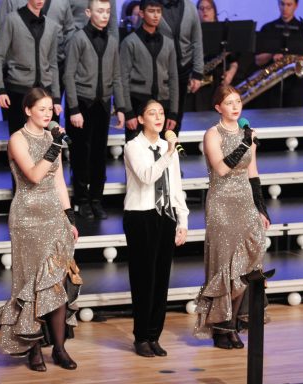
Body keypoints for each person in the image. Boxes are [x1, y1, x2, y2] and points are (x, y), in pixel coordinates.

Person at [0, 87, 81, 372]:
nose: (48, 114)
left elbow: (58, 181)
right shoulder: (17, 139)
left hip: (52, 216)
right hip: (27, 218)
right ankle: (33, 349)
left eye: (51, 109)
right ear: (27, 110)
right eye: (42, 109)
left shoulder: (50, 138)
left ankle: (59, 347)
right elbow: (33, 176)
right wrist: (55, 146)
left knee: (55, 282)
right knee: (31, 283)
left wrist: (68, 216)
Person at [193, 86, 270, 349]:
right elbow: (222, 168)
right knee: (225, 265)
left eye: (238, 101)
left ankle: (233, 322)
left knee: (249, 261)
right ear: (218, 108)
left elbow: (253, 172)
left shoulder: (247, 133)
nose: (236, 106)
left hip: (245, 201)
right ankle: (221, 328)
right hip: (222, 204)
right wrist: (245, 144)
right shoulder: (212, 134)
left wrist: (261, 208)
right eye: (229, 102)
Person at [123, 99, 188, 357]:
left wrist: (182, 221)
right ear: (141, 119)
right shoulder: (132, 146)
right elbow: (148, 176)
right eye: (152, 113)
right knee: (143, 279)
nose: (158, 117)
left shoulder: (167, 147)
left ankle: (154, 335)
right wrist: (169, 153)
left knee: (161, 279)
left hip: (165, 214)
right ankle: (140, 337)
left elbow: (176, 187)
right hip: (141, 215)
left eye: (161, 113)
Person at [64, 0, 125, 220]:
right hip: (82, 103)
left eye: (108, 11)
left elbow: (117, 76)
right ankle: (81, 200)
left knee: (99, 154)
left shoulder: (111, 40)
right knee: (81, 153)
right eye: (100, 11)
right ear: (88, 12)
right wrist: (73, 109)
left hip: (103, 103)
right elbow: (68, 75)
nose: (105, 15)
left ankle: (96, 199)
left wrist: (120, 106)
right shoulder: (78, 39)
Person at [0, 0, 62, 136]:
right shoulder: (12, 20)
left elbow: (53, 64)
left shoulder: (51, 26)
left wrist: (57, 98)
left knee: (48, 143)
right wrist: (0, 90)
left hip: (45, 92)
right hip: (18, 90)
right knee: (19, 143)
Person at [255, 0, 303, 149]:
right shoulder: (268, 29)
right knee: (270, 122)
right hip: (272, 86)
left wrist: (294, 57)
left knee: (297, 121)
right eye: (282, 4)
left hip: (296, 86)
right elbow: (258, 60)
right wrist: (271, 55)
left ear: (296, 6)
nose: (285, 8)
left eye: (289, 5)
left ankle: (301, 149)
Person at [120, 0, 178, 142]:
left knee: (163, 150)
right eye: (151, 11)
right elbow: (123, 79)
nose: (155, 15)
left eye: (158, 11)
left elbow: (173, 78)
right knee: (136, 152)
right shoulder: (130, 42)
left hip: (163, 102)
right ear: (141, 13)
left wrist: (173, 113)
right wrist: (128, 112)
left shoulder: (169, 43)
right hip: (137, 102)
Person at [157, 0, 204, 134]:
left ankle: (172, 150)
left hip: (183, 68)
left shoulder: (190, 7)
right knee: (159, 113)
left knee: (176, 116)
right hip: (161, 69)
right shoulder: (154, 5)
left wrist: (197, 73)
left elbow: (197, 41)